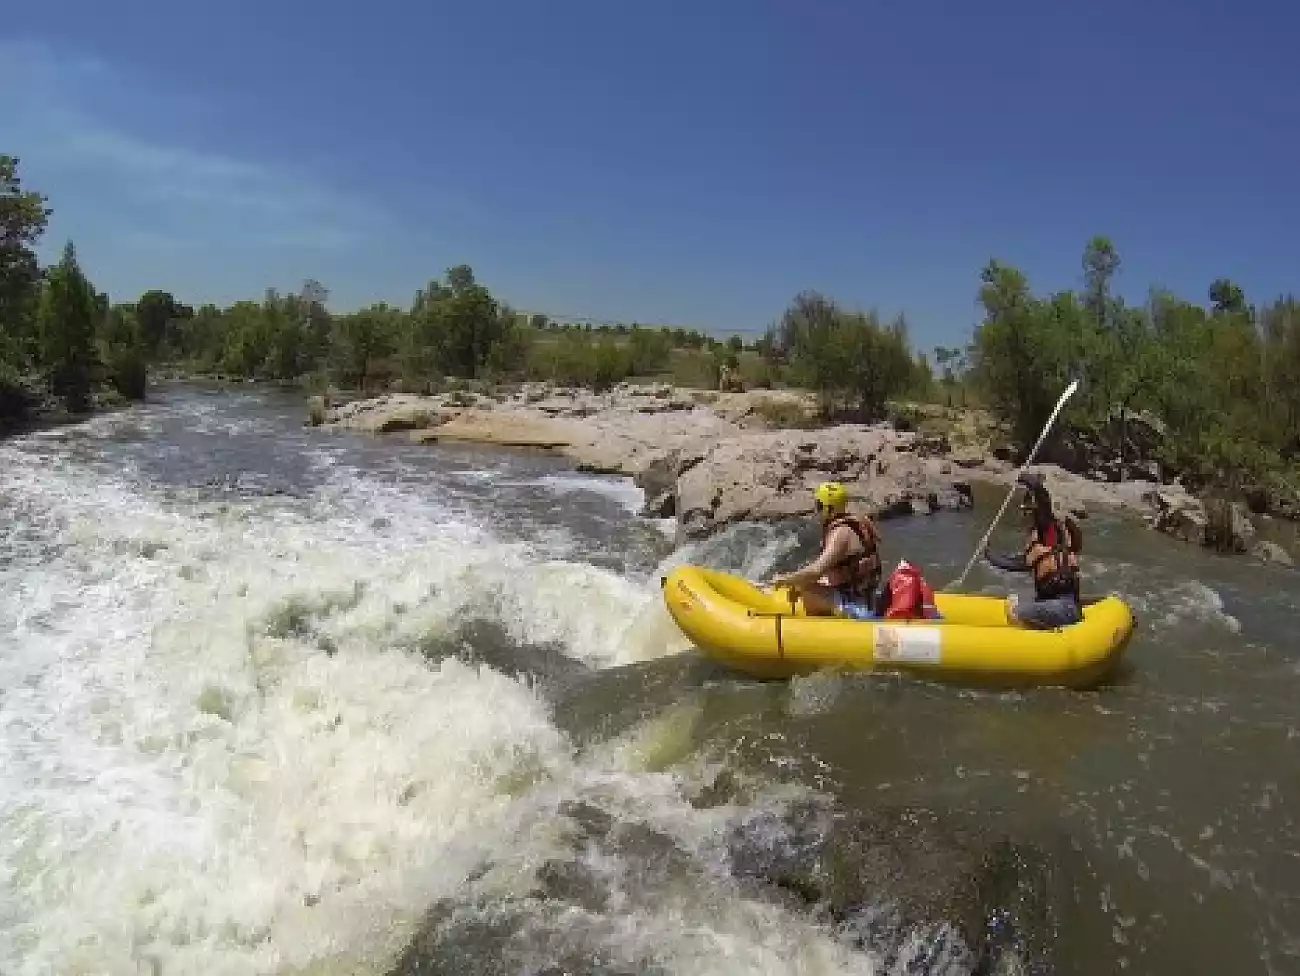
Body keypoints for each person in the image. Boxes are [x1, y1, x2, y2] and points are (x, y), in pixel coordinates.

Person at [984, 471, 1084, 629]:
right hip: (1057, 604)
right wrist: (988, 553)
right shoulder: (1040, 545)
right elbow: (1013, 564)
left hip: (1063, 607)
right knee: (1016, 604)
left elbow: (1044, 506)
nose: (1025, 516)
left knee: (1015, 611)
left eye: (1028, 511)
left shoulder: (1049, 532)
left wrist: (1034, 484)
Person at [770, 481, 883, 619]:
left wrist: (785, 580)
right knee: (811, 582)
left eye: (819, 505)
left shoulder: (840, 534)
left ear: (829, 509)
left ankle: (819, 627)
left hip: (857, 607)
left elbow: (815, 571)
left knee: (806, 588)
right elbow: (841, 573)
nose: (816, 510)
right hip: (866, 598)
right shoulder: (859, 523)